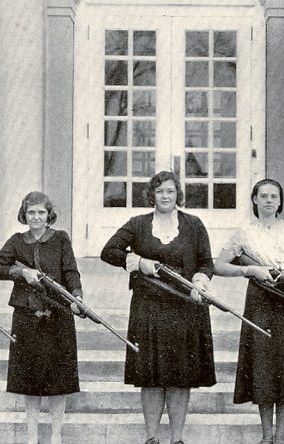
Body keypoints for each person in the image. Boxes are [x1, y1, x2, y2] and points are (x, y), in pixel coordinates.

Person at [100, 171, 216, 444]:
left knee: (181, 376)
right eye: (160, 191)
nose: (165, 196)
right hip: (148, 308)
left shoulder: (194, 224)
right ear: (151, 194)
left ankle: (177, 439)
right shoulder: (138, 224)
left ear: (178, 195)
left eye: (170, 191)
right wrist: (138, 262)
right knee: (150, 376)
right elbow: (108, 251)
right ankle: (151, 437)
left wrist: (200, 280)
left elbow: (206, 262)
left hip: (186, 309)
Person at [214, 178, 284, 444]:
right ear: (255, 200)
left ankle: (280, 436)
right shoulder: (244, 232)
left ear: (280, 201)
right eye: (264, 196)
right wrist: (249, 270)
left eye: (274, 196)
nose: (269, 201)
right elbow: (219, 266)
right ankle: (266, 434)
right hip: (260, 300)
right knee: (262, 365)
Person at [0, 191, 82, 444]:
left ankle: (56, 435)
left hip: (58, 314)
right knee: (29, 377)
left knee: (58, 377)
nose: (36, 217)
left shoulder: (60, 239)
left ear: (48, 215)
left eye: (41, 212)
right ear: (24, 215)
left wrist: (77, 296)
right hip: (27, 315)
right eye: (31, 212)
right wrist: (20, 272)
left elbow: (71, 271)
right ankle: (31, 435)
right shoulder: (17, 241)